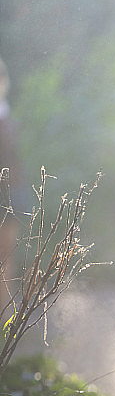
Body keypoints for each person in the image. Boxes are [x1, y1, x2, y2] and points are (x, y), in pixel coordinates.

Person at [0, 56, 24, 318]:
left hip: (10, 192)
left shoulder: (6, 115)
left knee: (6, 255)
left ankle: (4, 312)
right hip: (8, 191)